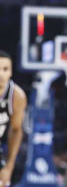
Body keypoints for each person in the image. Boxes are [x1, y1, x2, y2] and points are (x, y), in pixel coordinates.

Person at [0, 51, 27, 187]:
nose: (1, 74)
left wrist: (9, 167)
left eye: (5, 69)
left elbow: (16, 130)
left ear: (10, 72)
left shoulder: (16, 96)